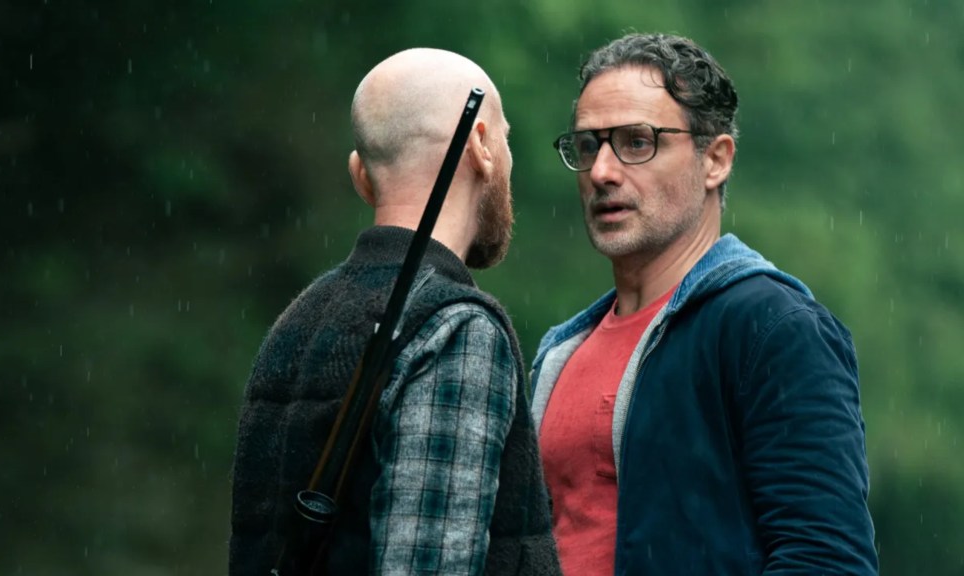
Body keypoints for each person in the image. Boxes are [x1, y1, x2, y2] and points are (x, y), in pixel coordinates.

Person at [532, 33, 878, 575]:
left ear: (715, 160)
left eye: (637, 142)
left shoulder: (771, 327)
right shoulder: (559, 352)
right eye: (588, 145)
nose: (602, 171)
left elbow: (826, 559)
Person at [229, 48, 562, 576]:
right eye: (505, 139)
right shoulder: (456, 330)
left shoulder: (295, 320)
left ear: (360, 175)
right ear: (480, 145)